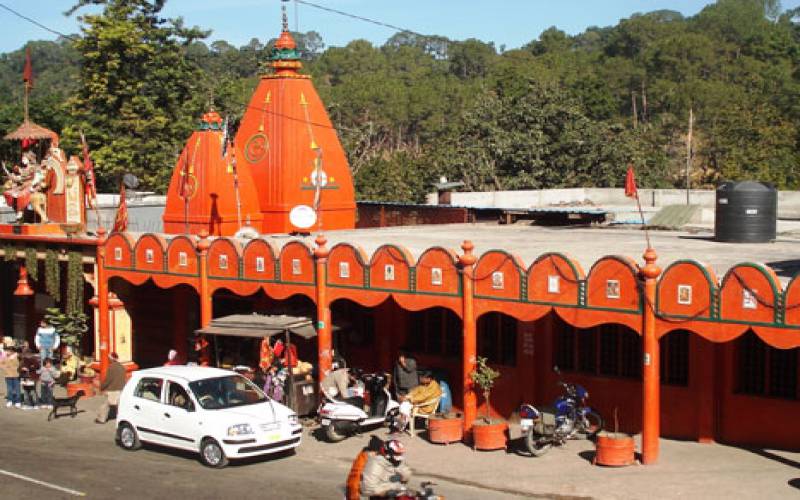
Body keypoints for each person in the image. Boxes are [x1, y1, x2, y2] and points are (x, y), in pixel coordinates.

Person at [95, 352, 126, 424]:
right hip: (121, 388)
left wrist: (102, 387)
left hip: (113, 389)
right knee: (119, 405)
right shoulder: (122, 367)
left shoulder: (111, 367)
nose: (109, 360)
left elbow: (108, 379)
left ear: (111, 359)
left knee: (105, 405)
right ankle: (121, 418)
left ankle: (101, 419)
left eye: (109, 358)